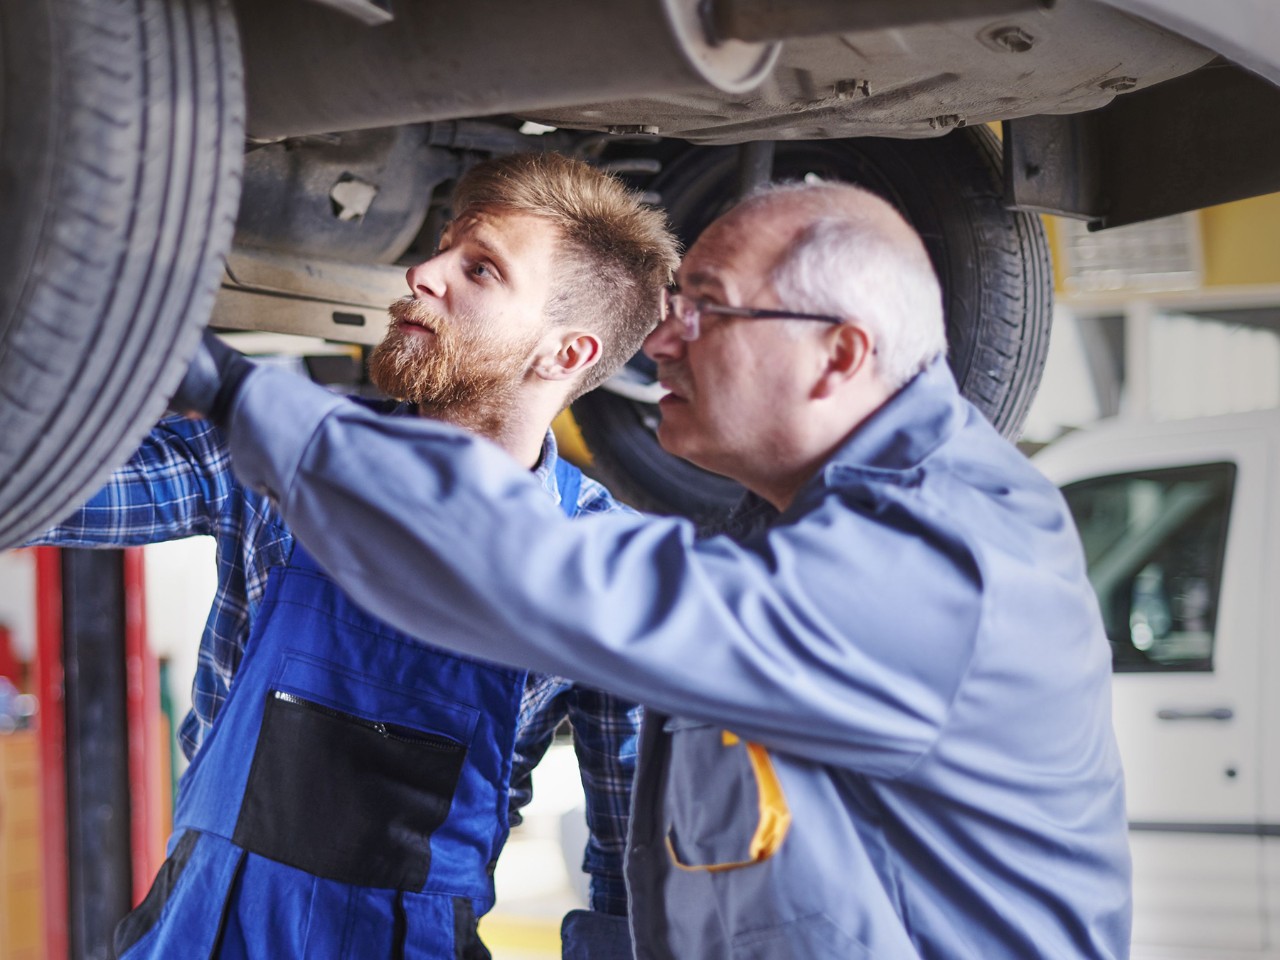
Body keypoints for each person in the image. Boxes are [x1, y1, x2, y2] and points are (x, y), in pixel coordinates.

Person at [177, 180, 1132, 958]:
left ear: (838, 355)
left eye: (708, 310)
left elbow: (550, 574)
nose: (662, 342)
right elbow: (659, 880)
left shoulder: (943, 562)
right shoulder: (789, 531)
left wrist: (234, 393)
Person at [31, 152, 679, 959]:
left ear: (567, 353)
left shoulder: (605, 566)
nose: (422, 274)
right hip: (200, 929)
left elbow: (632, 872)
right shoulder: (288, 443)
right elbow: (47, 487)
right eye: (442, 248)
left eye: (479, 269)